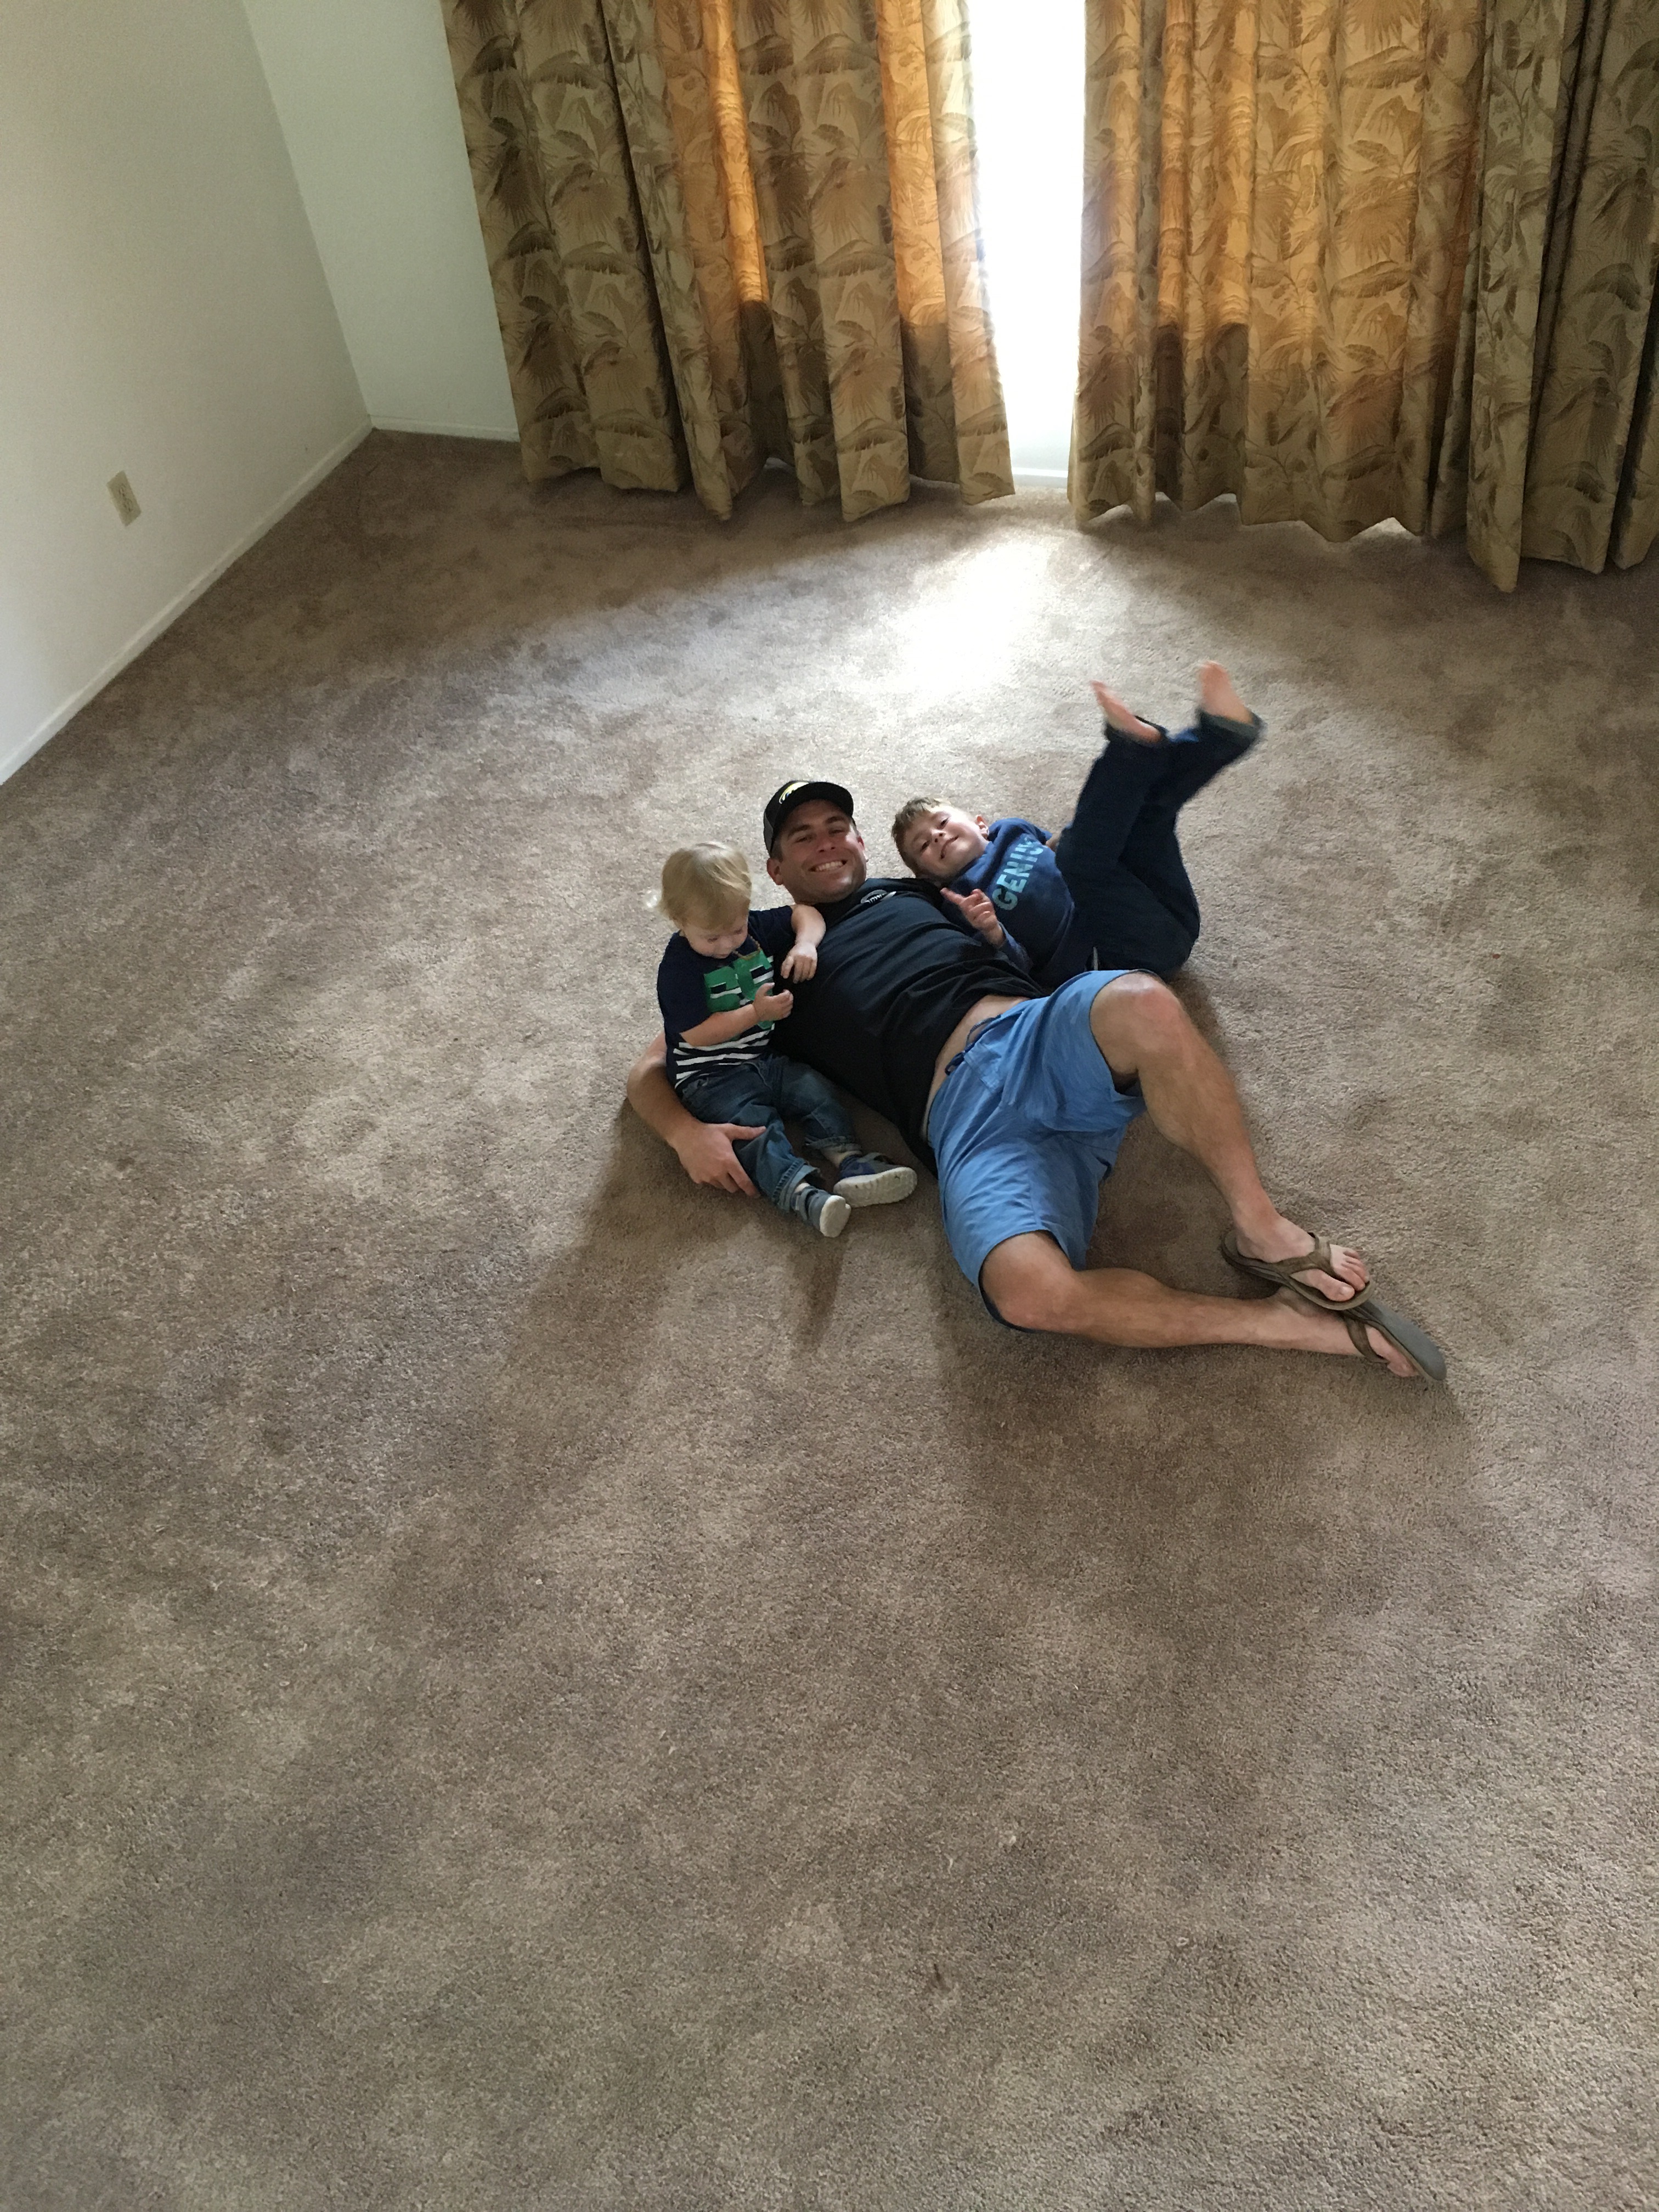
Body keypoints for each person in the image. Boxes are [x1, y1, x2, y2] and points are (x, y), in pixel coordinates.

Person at [628, 781, 1446, 1380]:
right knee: (1026, 1293)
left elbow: (1039, 897)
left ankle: (1262, 1229)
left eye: (838, 827)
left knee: (1143, 1001)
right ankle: (1285, 1326)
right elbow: (655, 1064)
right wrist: (683, 1132)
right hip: (961, 1122)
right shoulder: (755, 949)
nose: (828, 843)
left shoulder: (927, 889)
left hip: (1027, 1034)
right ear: (776, 870)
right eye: (804, 838)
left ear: (863, 841)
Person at [891, 663, 1260, 983]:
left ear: (982, 824)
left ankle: (1222, 735)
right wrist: (993, 932)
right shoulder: (960, 902)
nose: (936, 836)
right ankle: (1130, 750)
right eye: (923, 845)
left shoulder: (1012, 829)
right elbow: (1017, 970)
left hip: (1162, 905)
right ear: (929, 877)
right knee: (1077, 857)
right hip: (1122, 956)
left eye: (941, 822)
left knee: (1146, 815)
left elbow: (1059, 846)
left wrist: (1102, 817)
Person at [653, 839, 917, 1239]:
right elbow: (697, 1033)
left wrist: (806, 944)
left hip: (762, 1059)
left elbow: (804, 913)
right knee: (755, 1129)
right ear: (678, 920)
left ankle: (849, 1160)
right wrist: (756, 1014)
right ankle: (801, 1192)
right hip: (709, 1077)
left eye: (736, 929)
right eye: (712, 938)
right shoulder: (678, 968)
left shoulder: (753, 931)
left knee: (815, 1090)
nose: (728, 944)